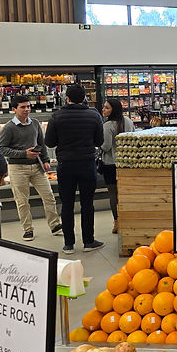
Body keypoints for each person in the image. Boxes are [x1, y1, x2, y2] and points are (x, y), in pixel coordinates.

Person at [45, 85, 104, 254]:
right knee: (87, 204)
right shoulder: (94, 115)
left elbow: (49, 142)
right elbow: (99, 141)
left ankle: (69, 244)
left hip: (65, 165)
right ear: (85, 97)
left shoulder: (56, 116)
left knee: (67, 204)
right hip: (87, 163)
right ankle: (88, 241)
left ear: (67, 98)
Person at [0, 95, 62, 241]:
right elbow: (2, 149)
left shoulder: (35, 123)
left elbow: (41, 143)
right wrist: (23, 154)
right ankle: (27, 229)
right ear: (14, 109)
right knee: (22, 201)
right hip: (17, 168)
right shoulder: (8, 128)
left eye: (28, 106)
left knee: (49, 196)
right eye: (23, 107)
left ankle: (55, 225)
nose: (27, 109)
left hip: (37, 166)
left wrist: (45, 160)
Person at [100, 98, 134, 235]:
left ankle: (117, 222)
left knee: (113, 194)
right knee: (125, 193)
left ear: (113, 110)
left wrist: (98, 144)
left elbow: (106, 146)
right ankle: (128, 221)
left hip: (110, 164)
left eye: (107, 108)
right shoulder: (128, 121)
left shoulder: (107, 126)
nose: (103, 109)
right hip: (127, 163)